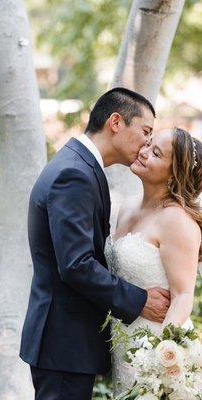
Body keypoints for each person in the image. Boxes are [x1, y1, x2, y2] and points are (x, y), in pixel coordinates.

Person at [20, 87, 171, 400]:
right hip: (64, 343)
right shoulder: (74, 174)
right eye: (145, 131)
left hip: (67, 343)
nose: (147, 143)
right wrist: (140, 299)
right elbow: (76, 265)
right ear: (116, 122)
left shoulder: (80, 165)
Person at [106, 127, 202, 395]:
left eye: (156, 153)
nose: (144, 152)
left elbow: (183, 296)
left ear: (174, 174)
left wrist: (160, 357)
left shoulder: (176, 221)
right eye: (148, 144)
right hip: (122, 344)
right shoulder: (127, 207)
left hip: (154, 349)